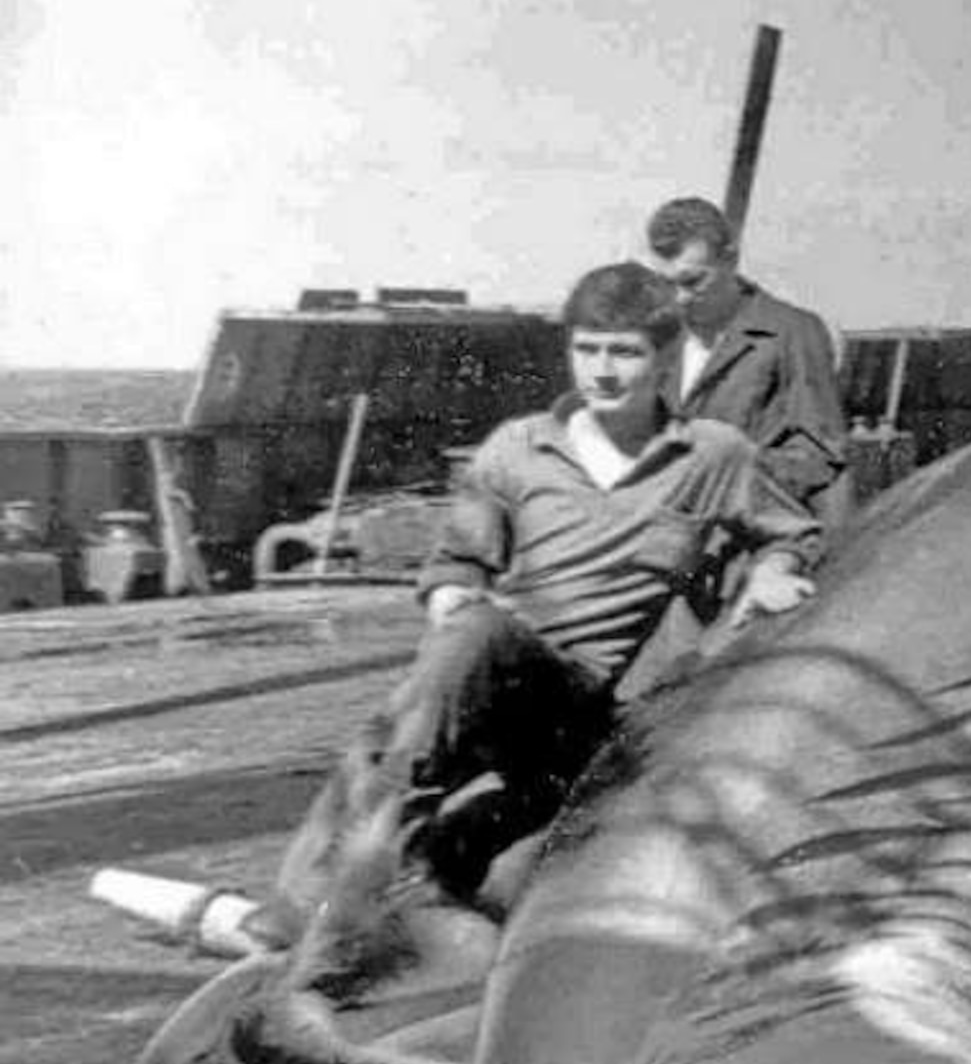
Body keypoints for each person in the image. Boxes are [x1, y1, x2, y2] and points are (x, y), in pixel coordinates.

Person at [263, 263, 823, 947]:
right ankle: (310, 904)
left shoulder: (713, 456)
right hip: (505, 675)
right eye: (588, 349)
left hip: (601, 714)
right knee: (459, 658)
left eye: (626, 352)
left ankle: (382, 894)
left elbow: (793, 531)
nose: (603, 371)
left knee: (505, 866)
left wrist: (775, 567)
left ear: (667, 357)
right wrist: (450, 603)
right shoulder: (518, 448)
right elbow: (457, 562)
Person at [642, 195, 851, 528]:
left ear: (731, 260)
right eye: (666, 283)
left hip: (749, 539)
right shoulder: (655, 333)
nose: (678, 299)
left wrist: (725, 471)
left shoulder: (792, 333)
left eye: (693, 281)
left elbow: (821, 456)